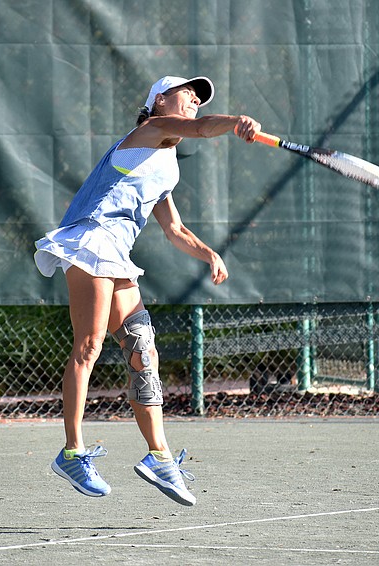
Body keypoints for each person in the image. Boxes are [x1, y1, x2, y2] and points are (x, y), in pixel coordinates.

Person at [33, 75, 261, 506]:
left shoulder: (167, 163)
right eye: (186, 92)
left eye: (199, 97)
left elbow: (173, 228)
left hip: (116, 253)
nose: (194, 99)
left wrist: (209, 253)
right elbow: (200, 128)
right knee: (89, 345)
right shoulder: (149, 131)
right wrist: (234, 122)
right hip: (91, 240)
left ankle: (159, 456)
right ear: (159, 100)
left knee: (143, 350)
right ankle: (72, 453)